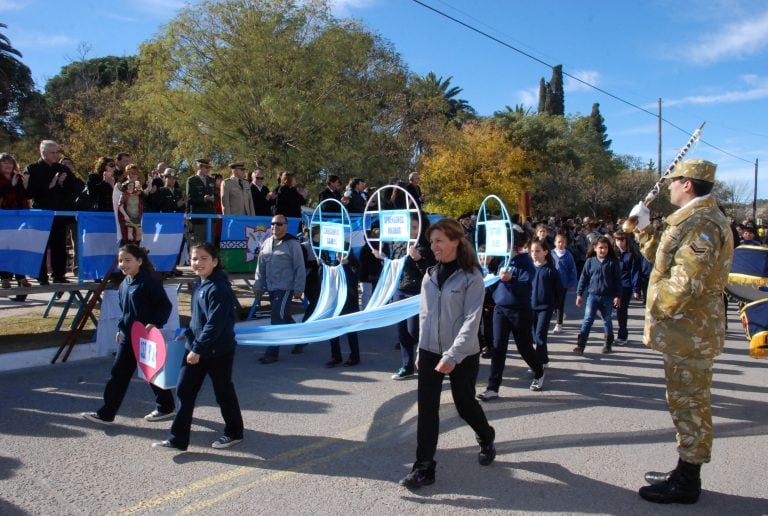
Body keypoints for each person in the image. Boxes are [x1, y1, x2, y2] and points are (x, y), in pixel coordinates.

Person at [629, 160, 733, 504]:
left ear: (687, 184)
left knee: (690, 406)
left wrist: (655, 310)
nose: (669, 186)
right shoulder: (691, 219)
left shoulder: (701, 222)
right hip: (686, 332)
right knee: (684, 403)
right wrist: (643, 230)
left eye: (674, 181)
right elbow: (666, 261)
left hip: (690, 331)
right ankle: (684, 469)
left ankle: (687, 483)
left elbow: (685, 282)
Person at [399, 218, 495, 489]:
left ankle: (486, 436)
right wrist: (420, 348)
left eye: (439, 240)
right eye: (432, 241)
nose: (434, 246)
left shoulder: (472, 276)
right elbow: (425, 315)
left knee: (464, 404)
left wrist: (452, 356)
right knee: (427, 411)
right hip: (430, 351)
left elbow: (472, 320)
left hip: (462, 354)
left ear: (455, 241)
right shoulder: (429, 275)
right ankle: (424, 468)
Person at [153, 243, 244, 451]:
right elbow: (200, 319)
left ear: (215, 261)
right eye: (195, 259)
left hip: (217, 351)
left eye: (204, 258)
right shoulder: (199, 284)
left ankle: (234, 432)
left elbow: (215, 323)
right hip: (197, 346)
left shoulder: (218, 288)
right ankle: (177, 440)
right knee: (185, 392)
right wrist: (187, 332)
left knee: (223, 392)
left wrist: (198, 348)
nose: (198, 263)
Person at [81, 245, 175, 425]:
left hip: (145, 336)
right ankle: (107, 413)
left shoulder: (148, 281)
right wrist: (120, 329)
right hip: (128, 336)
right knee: (120, 374)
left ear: (139, 261)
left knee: (151, 372)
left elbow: (165, 306)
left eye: (128, 260)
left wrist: (154, 324)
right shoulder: (124, 283)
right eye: (120, 260)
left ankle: (166, 407)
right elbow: (126, 312)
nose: (123, 264)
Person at [477, 225, 545, 400]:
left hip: (520, 311)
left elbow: (525, 286)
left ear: (514, 244)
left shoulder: (525, 261)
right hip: (500, 309)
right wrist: (487, 266)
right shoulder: (500, 260)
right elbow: (492, 282)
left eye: (507, 241)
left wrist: (511, 279)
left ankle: (539, 371)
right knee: (498, 348)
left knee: (524, 347)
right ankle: (493, 388)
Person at [382, 213, 434, 379]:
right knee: (402, 331)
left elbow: (431, 271)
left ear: (421, 228)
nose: (411, 231)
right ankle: (407, 366)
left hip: (417, 292)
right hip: (400, 290)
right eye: (409, 227)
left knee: (415, 330)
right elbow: (394, 266)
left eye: (414, 227)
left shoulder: (427, 246)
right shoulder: (399, 244)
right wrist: (382, 258)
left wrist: (419, 259)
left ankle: (427, 361)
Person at [253, 214, 306, 363]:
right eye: (273, 224)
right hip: (271, 286)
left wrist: (298, 288)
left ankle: (272, 353)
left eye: (279, 224)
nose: (275, 227)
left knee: (277, 317)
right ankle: (301, 339)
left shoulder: (292, 244)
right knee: (284, 316)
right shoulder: (267, 243)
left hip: (285, 287)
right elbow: (260, 266)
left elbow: (299, 267)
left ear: (286, 226)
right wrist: (258, 284)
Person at [25, 140, 77, 284]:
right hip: (41, 212)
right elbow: (29, 193)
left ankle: (59, 275)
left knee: (59, 245)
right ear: (43, 153)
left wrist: (61, 184)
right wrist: (49, 185)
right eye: (52, 153)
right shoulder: (33, 168)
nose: (56, 155)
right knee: (40, 244)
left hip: (59, 213)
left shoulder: (62, 169)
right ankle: (40, 275)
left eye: (57, 152)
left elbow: (74, 189)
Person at [574, 235, 621, 355]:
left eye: (605, 248)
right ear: (595, 248)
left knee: (607, 320)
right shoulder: (590, 262)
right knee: (587, 320)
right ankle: (580, 346)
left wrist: (617, 296)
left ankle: (608, 344)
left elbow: (617, 281)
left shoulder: (612, 262)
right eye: (600, 247)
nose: (603, 250)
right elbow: (583, 278)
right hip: (593, 296)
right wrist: (579, 294)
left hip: (607, 297)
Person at [0, 153, 31, 290]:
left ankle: (21, 276)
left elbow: (25, 196)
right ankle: (5, 278)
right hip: (4, 218)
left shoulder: (17, 177)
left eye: (10, 163)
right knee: (5, 248)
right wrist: (11, 186)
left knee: (19, 247)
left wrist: (25, 184)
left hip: (19, 217)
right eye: (4, 162)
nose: (8, 165)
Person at [529, 238, 562, 369]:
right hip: (531, 307)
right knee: (535, 336)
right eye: (532, 251)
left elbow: (559, 291)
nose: (534, 254)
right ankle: (544, 359)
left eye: (537, 251)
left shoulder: (551, 270)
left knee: (540, 336)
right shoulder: (530, 268)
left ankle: (537, 364)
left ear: (545, 252)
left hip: (545, 308)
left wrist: (555, 305)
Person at [325, 252, 361, 367]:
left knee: (351, 331)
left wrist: (346, 265)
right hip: (336, 302)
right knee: (333, 330)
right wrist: (322, 265)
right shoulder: (334, 264)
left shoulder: (354, 265)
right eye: (336, 253)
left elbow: (355, 278)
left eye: (340, 253)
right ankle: (335, 356)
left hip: (350, 303)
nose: (338, 256)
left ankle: (355, 356)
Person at [613, 231, 641, 345]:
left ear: (626, 241)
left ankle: (622, 336)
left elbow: (635, 273)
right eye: (617, 240)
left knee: (621, 311)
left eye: (622, 240)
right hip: (613, 286)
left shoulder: (631, 255)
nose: (619, 242)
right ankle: (608, 335)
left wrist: (636, 289)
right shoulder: (613, 254)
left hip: (625, 286)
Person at [186, 158, 216, 248]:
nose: (208, 170)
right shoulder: (192, 180)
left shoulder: (211, 180)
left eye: (208, 168)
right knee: (199, 245)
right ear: (199, 167)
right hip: (199, 218)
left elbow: (217, 196)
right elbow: (190, 199)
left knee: (210, 245)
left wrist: (213, 199)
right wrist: (203, 199)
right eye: (206, 167)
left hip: (210, 217)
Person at [551, 231, 577, 333]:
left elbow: (573, 269)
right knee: (552, 302)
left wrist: (572, 282)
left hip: (563, 283)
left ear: (565, 243)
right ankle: (555, 313)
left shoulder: (568, 255)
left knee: (560, 304)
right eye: (559, 242)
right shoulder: (551, 254)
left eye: (563, 242)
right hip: (552, 283)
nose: (560, 244)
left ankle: (559, 324)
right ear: (555, 243)